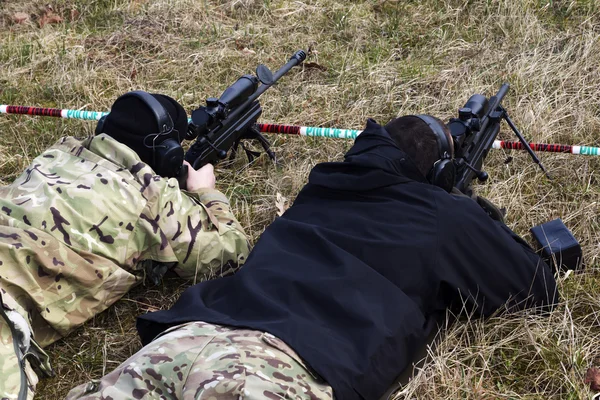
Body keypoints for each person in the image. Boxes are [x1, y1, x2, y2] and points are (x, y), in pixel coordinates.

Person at [67, 116, 558, 400]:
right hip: (275, 367)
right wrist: (472, 213)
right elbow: (536, 290)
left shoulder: (321, 187)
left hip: (191, 334)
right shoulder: (443, 217)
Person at [0, 91, 250, 400]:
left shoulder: (58, 154)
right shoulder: (152, 196)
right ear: (168, 155)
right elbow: (229, 252)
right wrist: (206, 193)